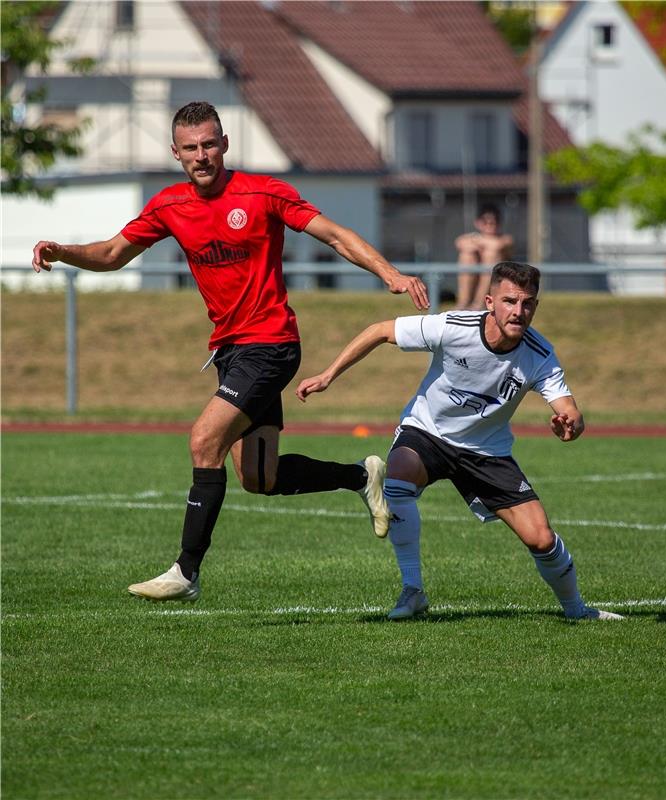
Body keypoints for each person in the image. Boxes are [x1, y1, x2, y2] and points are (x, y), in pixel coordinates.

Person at [31, 101, 429, 603]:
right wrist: (64, 251)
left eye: (209, 144)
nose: (202, 155)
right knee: (259, 479)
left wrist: (388, 273)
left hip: (272, 344)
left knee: (203, 440)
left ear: (225, 144)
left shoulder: (263, 193)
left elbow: (334, 235)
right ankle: (361, 475)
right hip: (230, 350)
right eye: (191, 147)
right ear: (175, 153)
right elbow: (113, 254)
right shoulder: (169, 205)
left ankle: (186, 572)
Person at [296, 261, 624, 621]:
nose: (518, 311)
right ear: (489, 301)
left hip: (486, 452)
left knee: (541, 539)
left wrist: (570, 424)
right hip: (427, 432)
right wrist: (328, 374)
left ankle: (577, 610)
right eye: (509, 301)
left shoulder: (539, 354)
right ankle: (413, 590)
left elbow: (568, 410)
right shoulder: (453, 326)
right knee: (399, 477)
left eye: (527, 303)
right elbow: (379, 331)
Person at [454, 203, 513, 310]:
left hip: (498, 282)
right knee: (467, 256)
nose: (490, 225)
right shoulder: (474, 237)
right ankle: (463, 302)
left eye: (494, 222)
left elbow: (497, 245)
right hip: (476, 278)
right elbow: (460, 243)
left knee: (490, 255)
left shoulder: (505, 238)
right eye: (485, 222)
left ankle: (479, 304)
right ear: (478, 223)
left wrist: (478, 241)